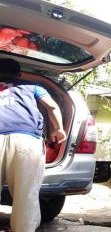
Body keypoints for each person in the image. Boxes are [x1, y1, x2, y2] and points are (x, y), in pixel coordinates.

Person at [0, 58, 67, 231]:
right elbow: (52, 107)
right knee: (26, 194)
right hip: (26, 140)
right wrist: (58, 129)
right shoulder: (33, 87)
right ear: (19, 74)